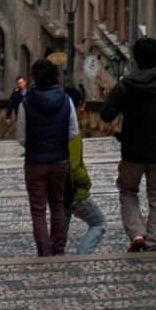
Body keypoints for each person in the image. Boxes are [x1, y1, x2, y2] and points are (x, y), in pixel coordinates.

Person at [99, 37, 156, 253]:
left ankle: (137, 233)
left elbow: (106, 114)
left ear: (134, 59)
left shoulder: (124, 85)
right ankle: (154, 243)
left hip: (132, 151)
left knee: (127, 191)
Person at [16, 58, 78, 257]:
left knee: (38, 209)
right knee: (58, 205)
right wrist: (58, 143)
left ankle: (44, 251)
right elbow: (73, 132)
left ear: (33, 77)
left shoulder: (26, 103)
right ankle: (58, 249)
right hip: (60, 161)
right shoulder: (66, 100)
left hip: (35, 162)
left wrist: (36, 146)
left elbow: (21, 137)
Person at [64, 86, 106, 254]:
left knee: (61, 231)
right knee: (99, 223)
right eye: (82, 105)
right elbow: (74, 168)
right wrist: (86, 182)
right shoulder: (73, 132)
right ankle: (82, 256)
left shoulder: (57, 127)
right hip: (76, 193)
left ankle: (55, 256)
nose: (84, 109)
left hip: (59, 191)